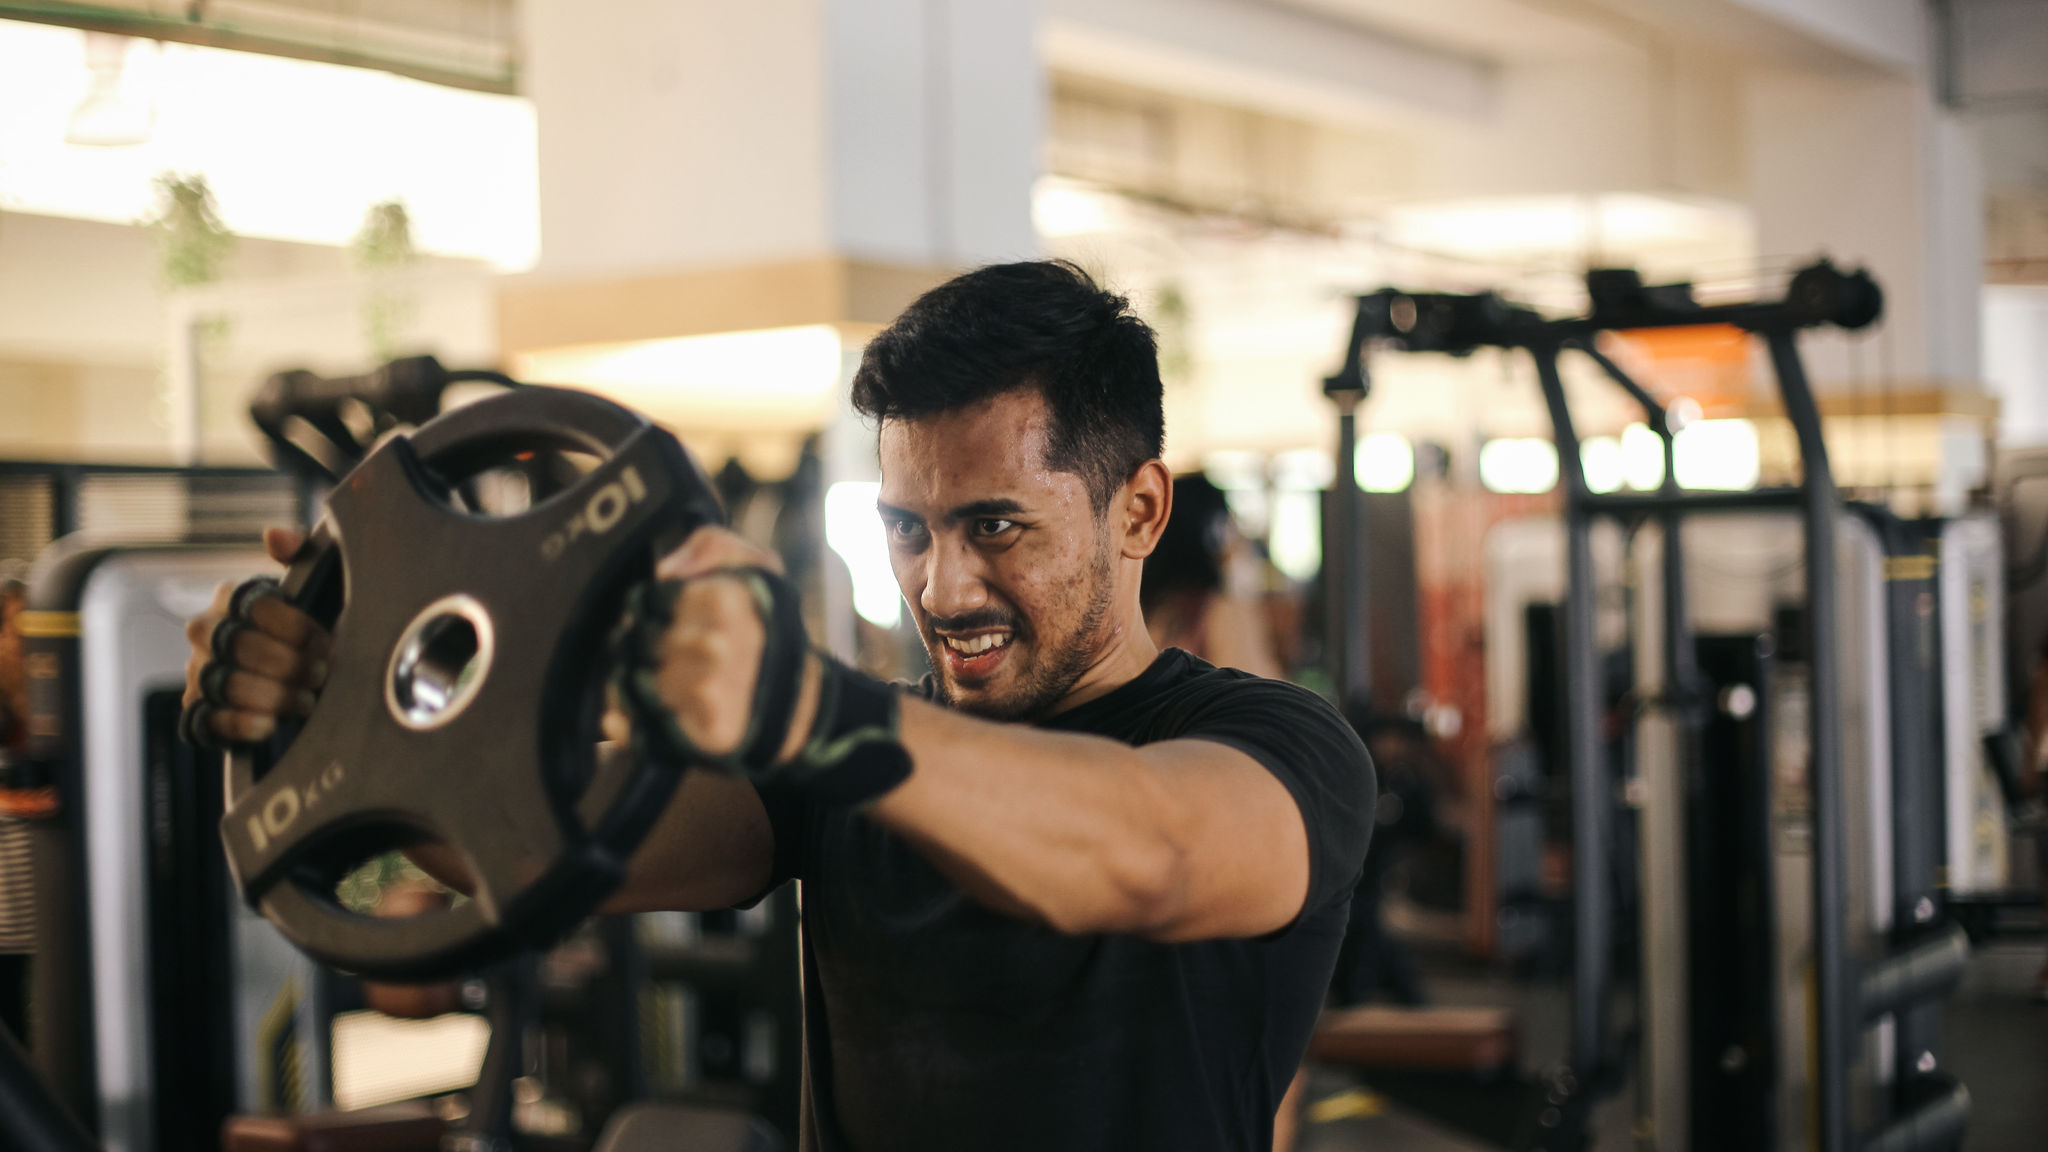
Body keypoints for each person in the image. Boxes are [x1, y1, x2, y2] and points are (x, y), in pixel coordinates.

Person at [182, 261, 1376, 1151]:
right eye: (905, 531)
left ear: (1138, 512)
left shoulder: (1275, 747)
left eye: (995, 527)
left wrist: (812, 712)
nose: (940, 587)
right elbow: (552, 846)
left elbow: (1146, 855)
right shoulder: (839, 760)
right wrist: (354, 726)